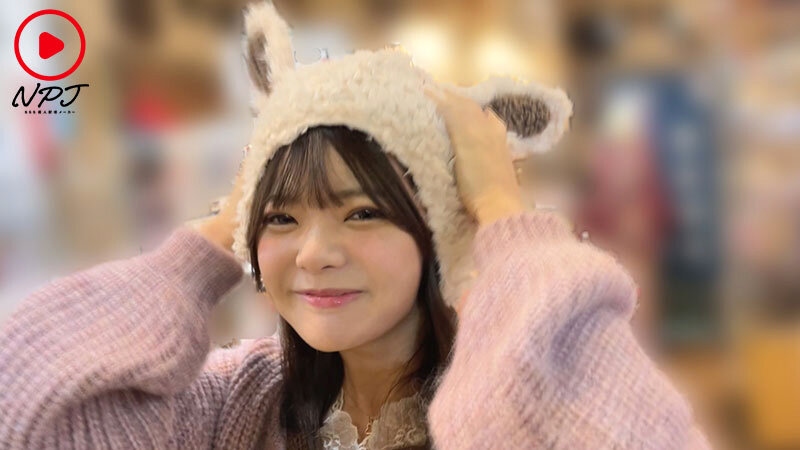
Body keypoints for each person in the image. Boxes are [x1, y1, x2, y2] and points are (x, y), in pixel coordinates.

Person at [0, 72, 711, 450]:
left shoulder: (497, 397)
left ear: (437, 229)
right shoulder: (242, 402)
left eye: (362, 213)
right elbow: (29, 414)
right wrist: (212, 240)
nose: (314, 254)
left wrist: (500, 210)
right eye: (283, 219)